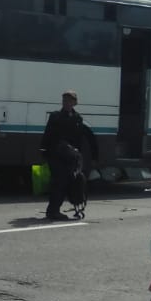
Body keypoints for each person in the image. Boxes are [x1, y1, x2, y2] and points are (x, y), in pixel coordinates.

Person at [39, 90, 97, 221]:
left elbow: (79, 140)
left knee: (66, 182)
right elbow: (47, 134)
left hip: (70, 156)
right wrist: (44, 150)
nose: (66, 103)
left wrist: (79, 156)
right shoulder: (55, 116)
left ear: (75, 103)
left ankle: (56, 209)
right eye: (64, 100)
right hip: (56, 154)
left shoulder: (77, 118)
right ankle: (53, 211)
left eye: (69, 100)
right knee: (58, 182)